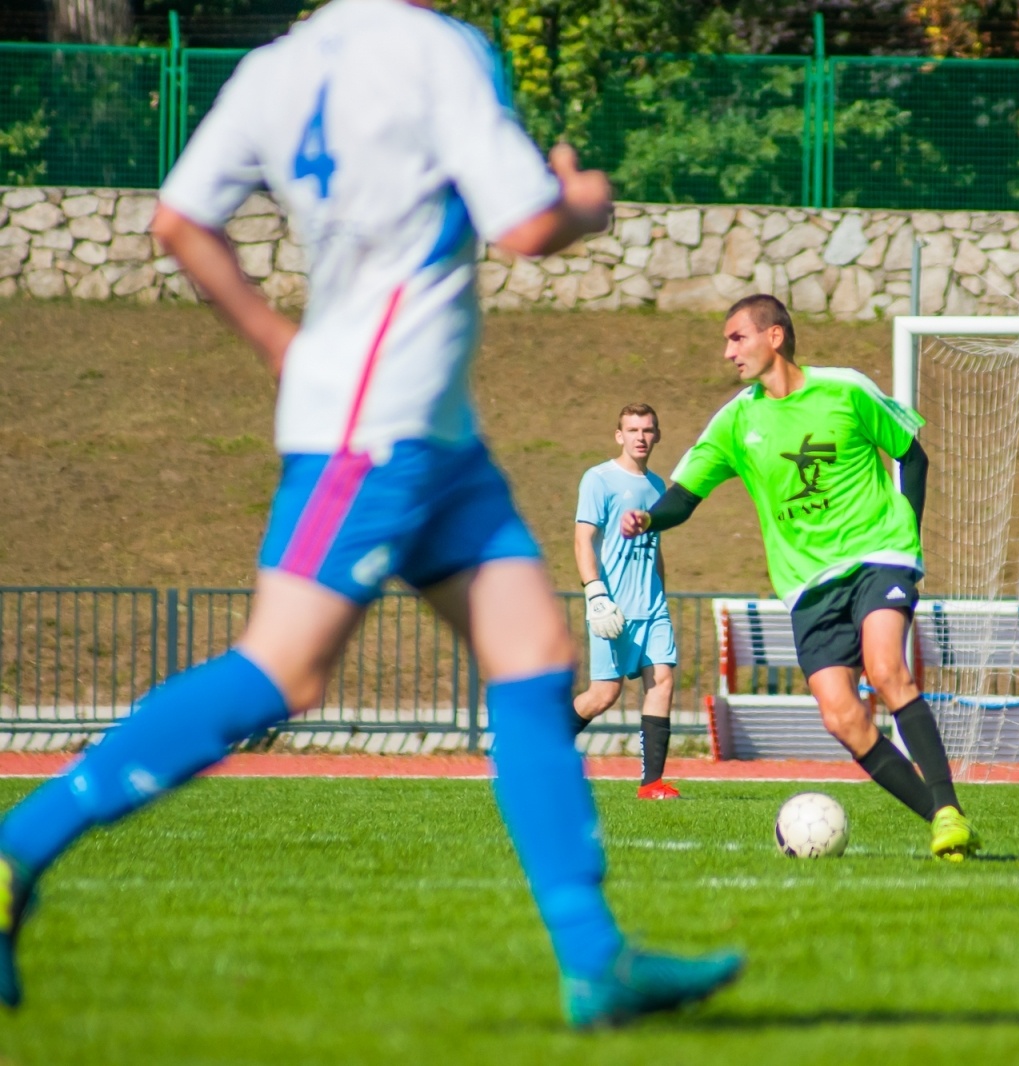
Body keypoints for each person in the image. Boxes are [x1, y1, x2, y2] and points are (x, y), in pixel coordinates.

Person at [0, 0, 741, 1027]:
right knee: (283, 669)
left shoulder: (276, 67)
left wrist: (277, 343)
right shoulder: (439, 50)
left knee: (532, 659)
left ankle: (594, 959)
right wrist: (583, 199)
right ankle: (17, 851)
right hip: (378, 434)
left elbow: (178, 220)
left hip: (430, 434)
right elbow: (527, 224)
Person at [619, 294, 981, 861]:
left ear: (775, 336)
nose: (727, 352)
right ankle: (941, 817)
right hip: (807, 587)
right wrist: (649, 517)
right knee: (842, 717)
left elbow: (913, 456)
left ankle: (948, 807)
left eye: (737, 337)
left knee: (887, 668)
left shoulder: (846, 389)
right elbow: (685, 497)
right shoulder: (737, 420)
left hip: (877, 556)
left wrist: (906, 534)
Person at [573, 403, 681, 800]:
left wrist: (662, 593)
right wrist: (594, 593)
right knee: (603, 695)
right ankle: (539, 753)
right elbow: (583, 539)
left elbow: (657, 547)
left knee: (663, 679)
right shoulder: (598, 479)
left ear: (657, 435)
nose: (640, 436)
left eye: (648, 430)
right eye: (632, 429)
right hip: (612, 609)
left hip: (652, 607)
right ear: (619, 435)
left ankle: (651, 783)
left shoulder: (657, 486)